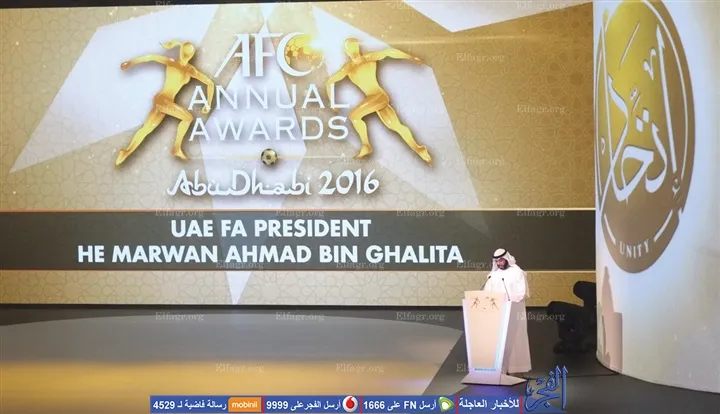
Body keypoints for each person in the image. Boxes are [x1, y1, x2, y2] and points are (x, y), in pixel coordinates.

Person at [325, 38, 432, 165]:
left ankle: (366, 145)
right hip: (373, 99)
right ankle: (419, 149)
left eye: (354, 46)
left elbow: (388, 52)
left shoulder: (369, 58)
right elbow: (330, 82)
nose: (352, 50)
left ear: (358, 47)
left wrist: (410, 57)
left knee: (354, 116)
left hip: (379, 96)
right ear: (346, 51)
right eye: (349, 48)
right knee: (396, 126)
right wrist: (332, 102)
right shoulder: (348, 68)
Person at [482, 248, 532, 376]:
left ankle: (517, 370)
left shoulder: (517, 272)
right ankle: (501, 370)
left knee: (516, 339)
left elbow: (522, 293)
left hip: (514, 312)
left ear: (506, 259)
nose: (499, 263)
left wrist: (507, 300)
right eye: (496, 261)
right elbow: (487, 293)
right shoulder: (493, 275)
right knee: (500, 340)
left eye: (501, 260)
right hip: (498, 313)